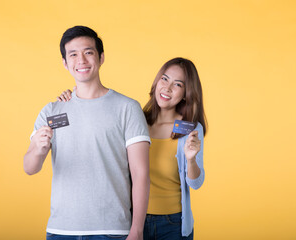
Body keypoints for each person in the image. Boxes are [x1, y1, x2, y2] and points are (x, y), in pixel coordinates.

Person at [24, 26, 151, 240]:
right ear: (65, 63)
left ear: (101, 58)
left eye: (88, 52)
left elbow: (141, 173)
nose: (81, 60)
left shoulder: (127, 108)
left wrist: (137, 230)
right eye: (73, 54)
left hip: (112, 231)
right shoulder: (52, 110)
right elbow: (29, 167)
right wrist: (38, 148)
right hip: (61, 231)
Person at [58, 57, 207, 240]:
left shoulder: (190, 129)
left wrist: (191, 159)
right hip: (132, 220)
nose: (167, 88)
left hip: (173, 224)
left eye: (178, 84)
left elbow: (196, 183)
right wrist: (74, 98)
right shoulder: (135, 118)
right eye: (165, 79)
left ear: (186, 93)